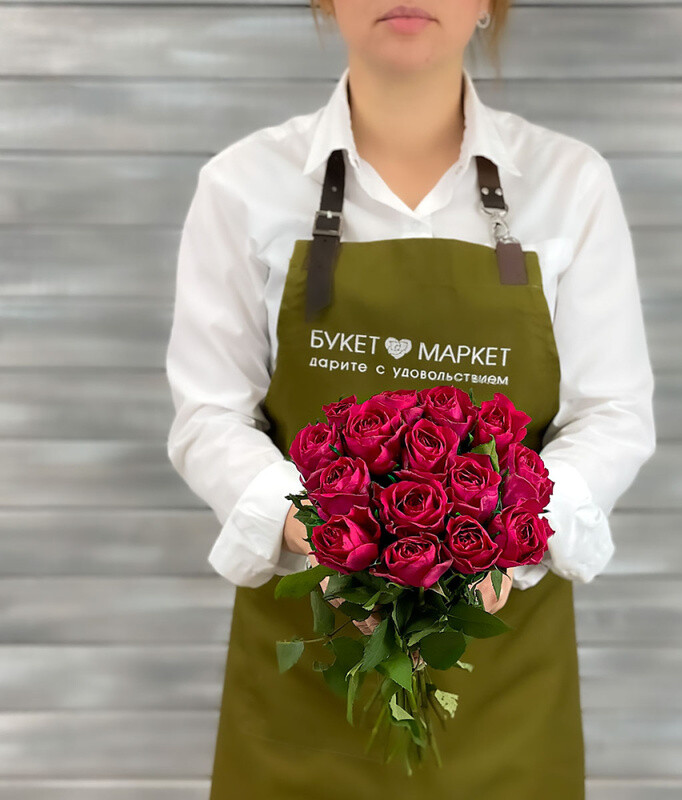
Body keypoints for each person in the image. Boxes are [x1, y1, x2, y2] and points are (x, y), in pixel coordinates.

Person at [165, 1, 656, 797]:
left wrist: (508, 532)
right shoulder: (242, 184)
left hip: (505, 696)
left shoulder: (570, 184)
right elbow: (208, 415)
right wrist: (316, 529)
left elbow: (614, 415)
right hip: (302, 700)